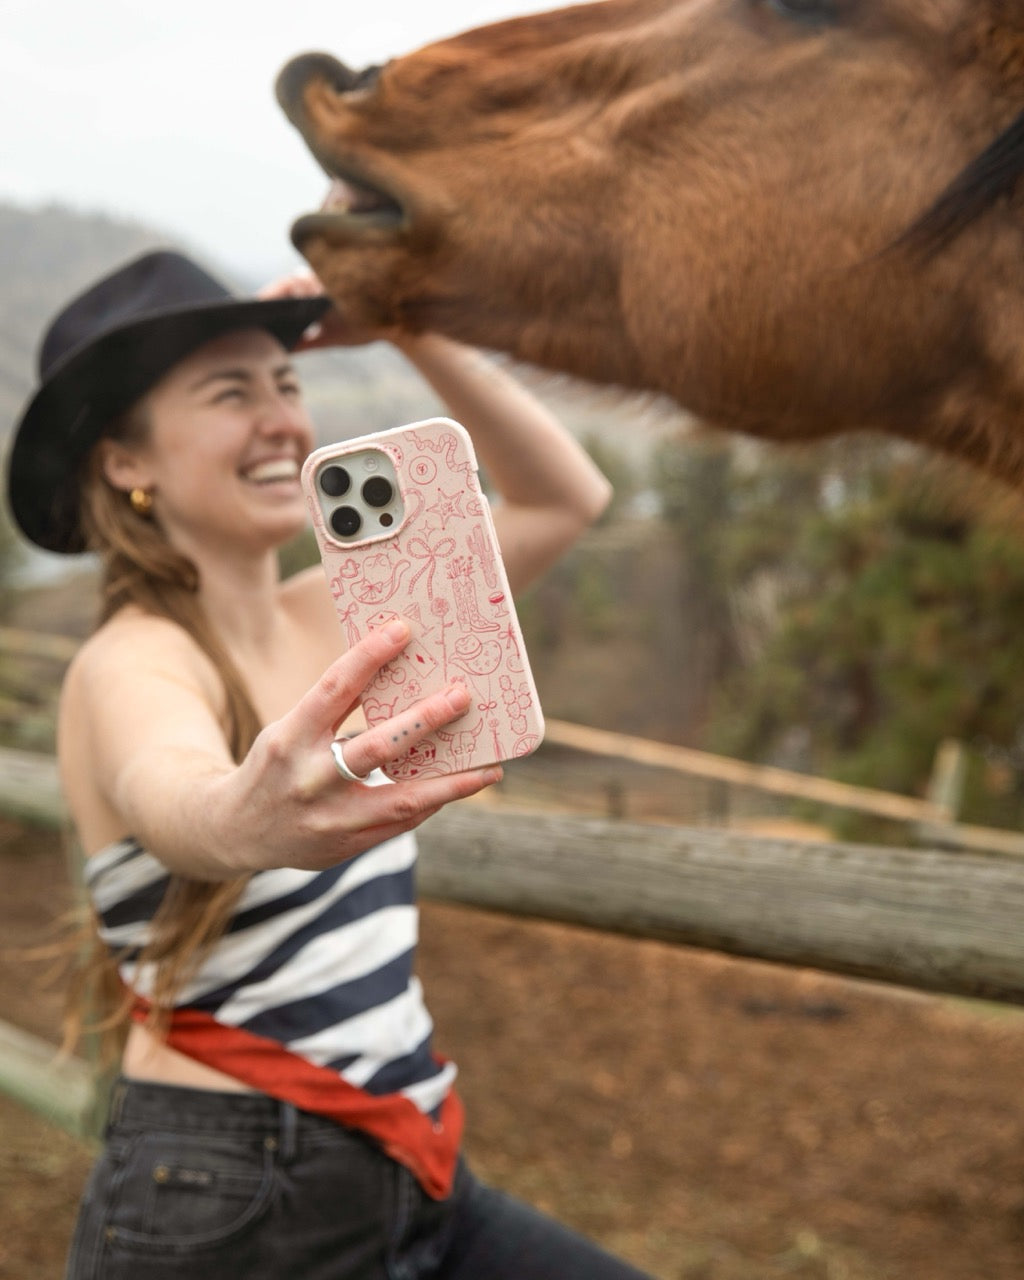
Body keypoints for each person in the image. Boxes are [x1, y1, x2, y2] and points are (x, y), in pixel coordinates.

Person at [6, 250, 651, 1280]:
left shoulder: (335, 615)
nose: (280, 420)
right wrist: (242, 818)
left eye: (288, 383)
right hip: (229, 1196)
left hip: (414, 1161)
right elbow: (171, 789)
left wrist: (403, 323)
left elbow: (565, 496)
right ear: (128, 460)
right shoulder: (128, 660)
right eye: (231, 393)